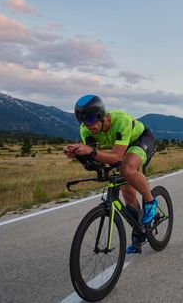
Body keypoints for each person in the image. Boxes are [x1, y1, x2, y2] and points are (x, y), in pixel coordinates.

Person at [63, 94, 157, 254]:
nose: (88, 126)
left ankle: (150, 202)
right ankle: (139, 231)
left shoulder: (121, 121)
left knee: (127, 169)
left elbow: (116, 157)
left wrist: (91, 151)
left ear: (102, 116)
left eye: (91, 120)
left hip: (140, 140)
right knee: (127, 191)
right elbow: (94, 160)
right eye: (83, 122)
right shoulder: (86, 131)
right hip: (120, 147)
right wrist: (78, 154)